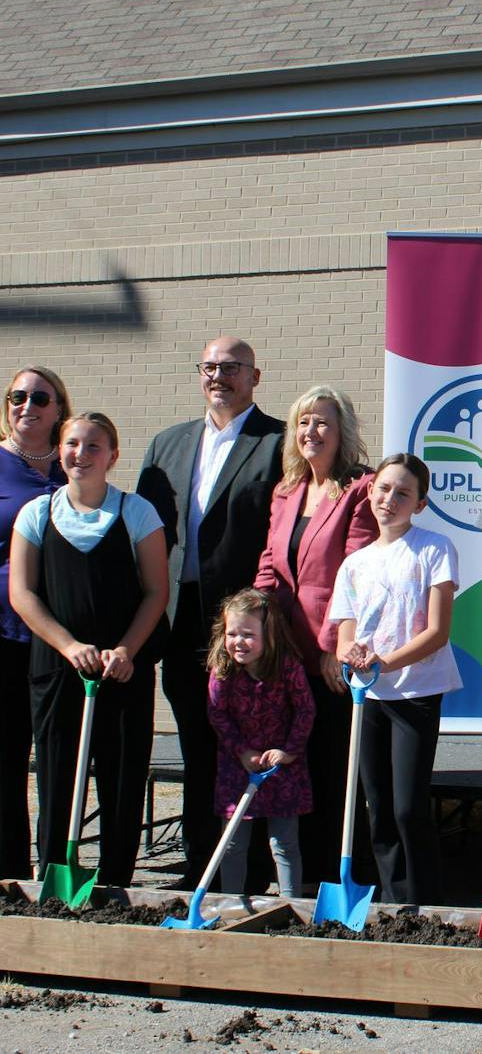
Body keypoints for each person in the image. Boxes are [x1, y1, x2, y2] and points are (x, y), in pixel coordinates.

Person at [137, 337, 284, 887]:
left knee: (251, 742)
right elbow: (148, 533)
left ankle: (257, 869)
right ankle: (201, 863)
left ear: (254, 376)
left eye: (231, 367)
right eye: (210, 367)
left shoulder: (277, 443)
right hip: (179, 623)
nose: (218, 376)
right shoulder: (167, 444)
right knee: (197, 745)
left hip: (245, 626)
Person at [9, 412, 168, 886]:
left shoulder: (137, 512)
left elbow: (156, 592)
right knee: (56, 776)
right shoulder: (37, 513)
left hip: (122, 670)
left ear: (112, 456)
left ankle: (116, 879)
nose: (82, 454)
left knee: (121, 777)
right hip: (58, 670)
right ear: (60, 452)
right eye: (72, 444)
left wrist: (126, 650)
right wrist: (68, 645)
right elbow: (23, 593)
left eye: (94, 446)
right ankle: (54, 878)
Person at [254, 385, 376, 888]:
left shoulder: (360, 488)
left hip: (330, 659)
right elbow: (270, 565)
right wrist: (257, 627)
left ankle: (340, 879)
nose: (311, 431)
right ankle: (296, 881)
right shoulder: (286, 491)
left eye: (322, 421)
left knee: (333, 770)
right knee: (294, 769)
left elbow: (356, 572)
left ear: (342, 429)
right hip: (285, 654)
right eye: (303, 422)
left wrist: (332, 646)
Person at [329, 454, 461, 907]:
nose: (390, 499)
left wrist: (384, 662)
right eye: (384, 489)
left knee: (408, 806)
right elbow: (345, 631)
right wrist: (350, 653)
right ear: (370, 492)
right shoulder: (355, 563)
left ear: (420, 504)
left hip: (416, 693)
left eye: (403, 493)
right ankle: (392, 902)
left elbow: (437, 632)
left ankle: (425, 903)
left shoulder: (434, 549)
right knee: (378, 807)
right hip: (367, 697)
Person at [0, 366, 68, 879]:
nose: (27, 405)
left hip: (56, 637)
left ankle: (53, 869)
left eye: (40, 398)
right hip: (2, 630)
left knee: (54, 755)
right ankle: (7, 871)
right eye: (17, 396)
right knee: (5, 756)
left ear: (59, 408)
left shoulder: (74, 466)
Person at [205, 588, 314, 897]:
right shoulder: (223, 669)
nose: (238, 642)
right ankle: (231, 902)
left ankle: (290, 903)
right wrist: (242, 751)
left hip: (281, 767)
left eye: (248, 635)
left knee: (284, 843)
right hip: (238, 767)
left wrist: (289, 751)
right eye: (232, 634)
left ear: (270, 635)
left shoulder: (287, 667)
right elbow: (217, 714)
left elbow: (305, 709)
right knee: (233, 843)